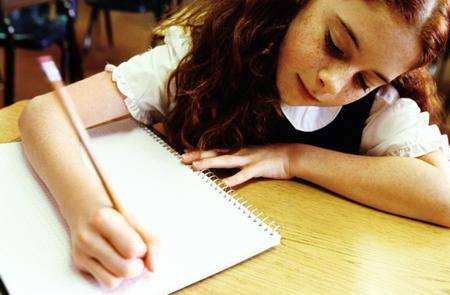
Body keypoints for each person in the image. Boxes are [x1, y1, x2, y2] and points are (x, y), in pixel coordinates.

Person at [18, 0, 450, 289]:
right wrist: (85, 207)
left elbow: (444, 196)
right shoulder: (197, 52)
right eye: (333, 44)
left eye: (366, 79)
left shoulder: (380, 106)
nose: (331, 84)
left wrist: (295, 159)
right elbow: (45, 112)